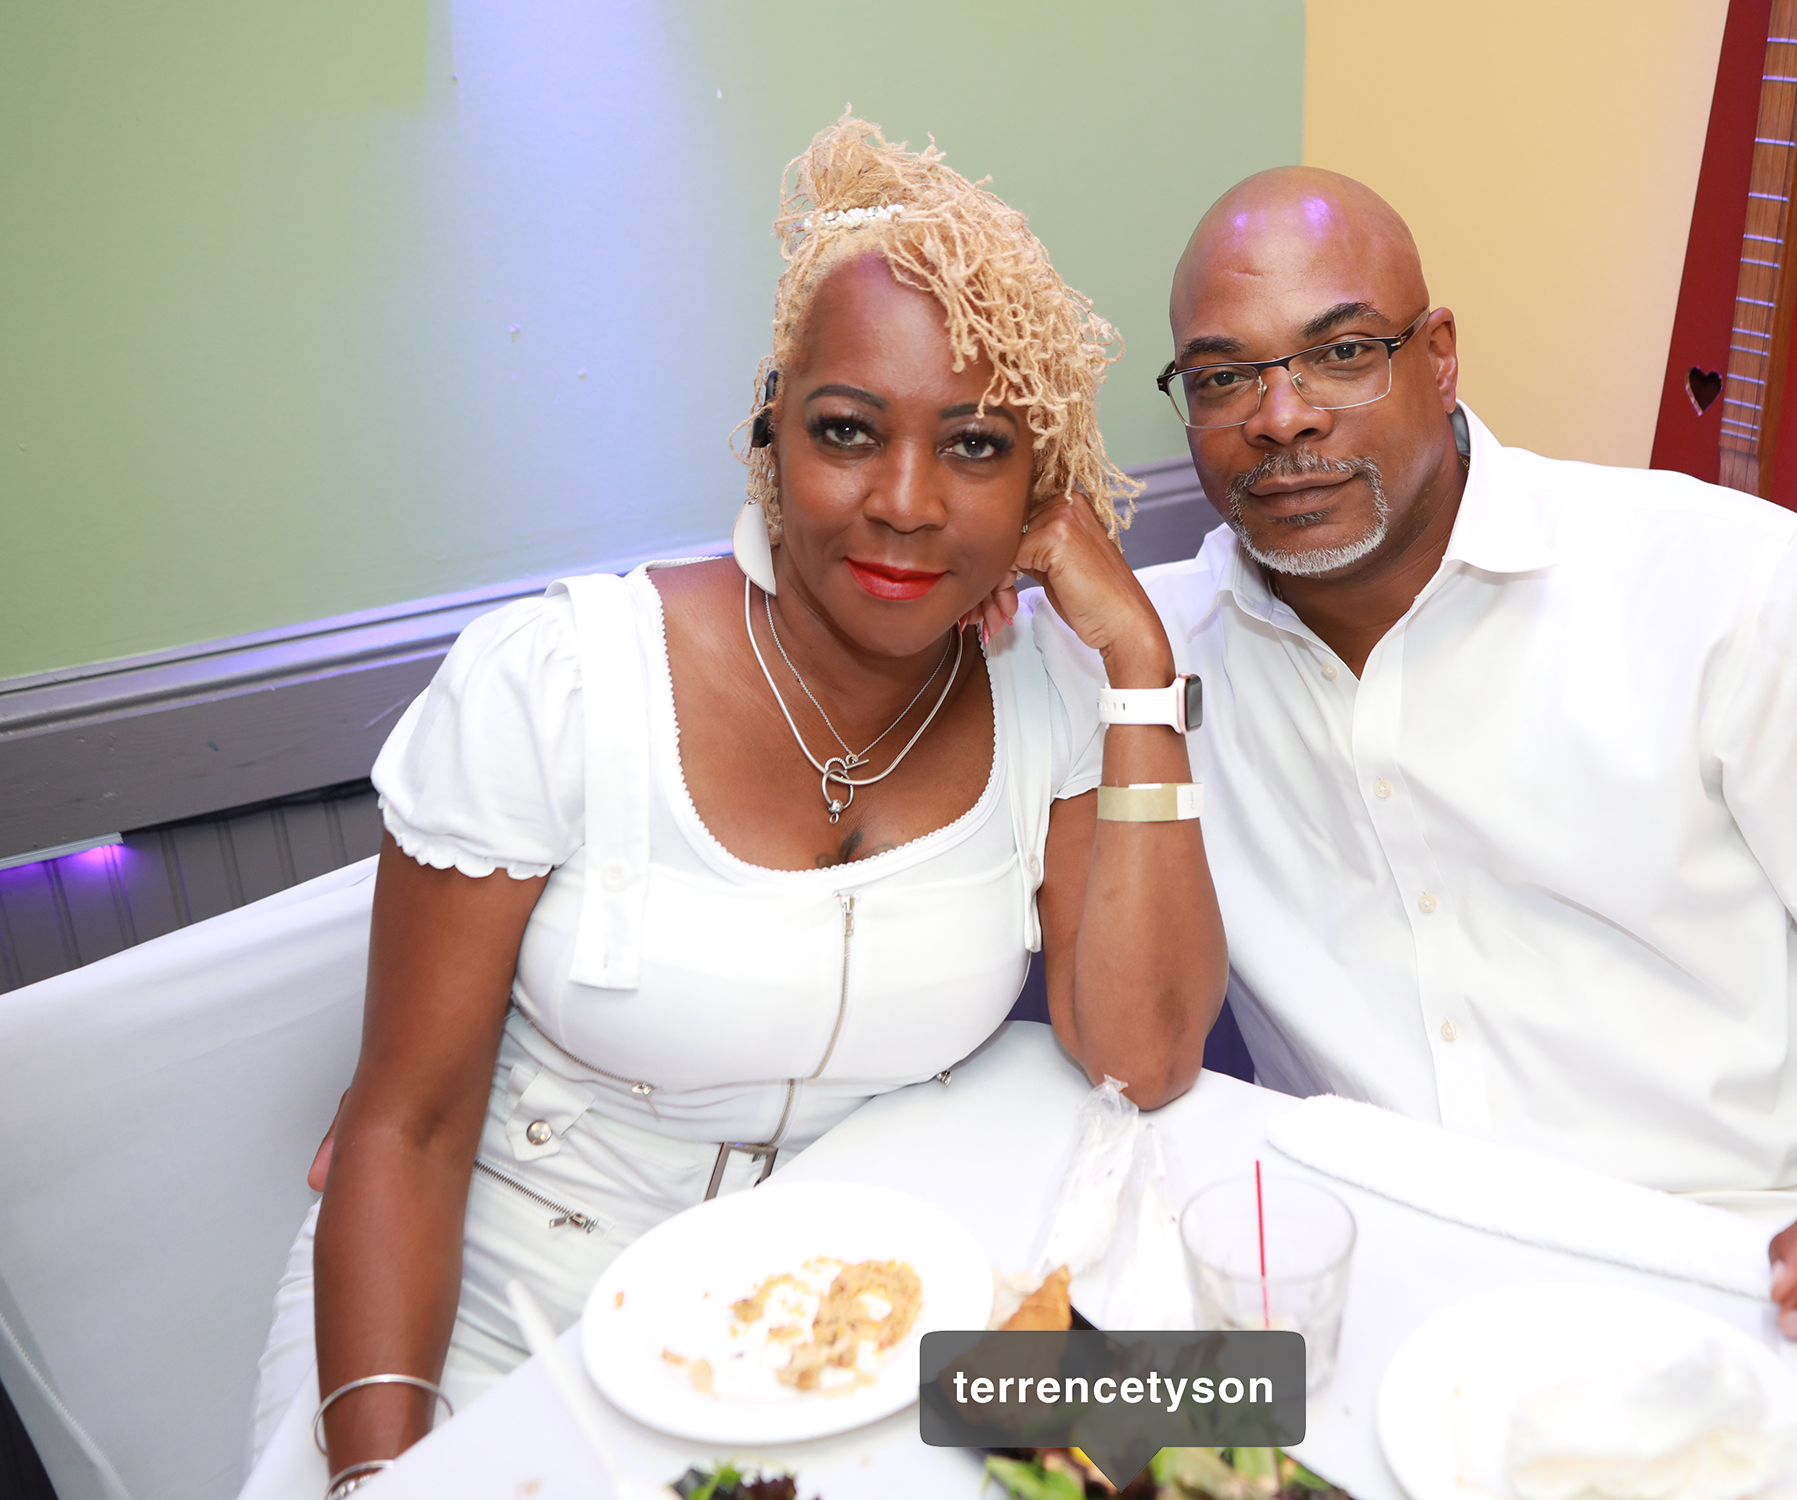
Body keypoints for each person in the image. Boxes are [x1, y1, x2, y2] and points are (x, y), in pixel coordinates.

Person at [245, 118, 1225, 1494]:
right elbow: (400, 1133)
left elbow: (1149, 1058)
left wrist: (1136, 665)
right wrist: (380, 1473)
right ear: (773, 436)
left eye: (975, 446)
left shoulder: (1055, 694)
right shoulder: (558, 685)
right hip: (504, 1321)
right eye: (847, 432)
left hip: (834, 1323)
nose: (903, 503)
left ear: (1039, 492)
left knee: (1224, 1436)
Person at [1006, 165, 1797, 1364]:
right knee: (1021, 1407)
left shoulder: (1727, 582)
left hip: (1768, 1282)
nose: (1283, 416)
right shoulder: (1137, 656)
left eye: (1344, 353)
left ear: (1440, 357)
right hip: (1389, 1295)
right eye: (1223, 378)